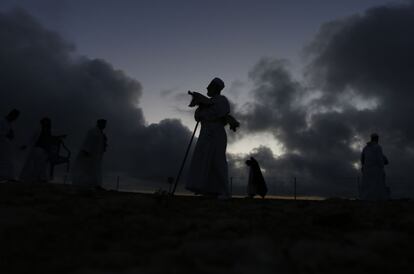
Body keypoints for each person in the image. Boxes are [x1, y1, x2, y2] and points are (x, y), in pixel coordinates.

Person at [186, 78, 235, 198]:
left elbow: (220, 113)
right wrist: (202, 104)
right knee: (205, 160)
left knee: (217, 160)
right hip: (205, 133)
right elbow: (197, 116)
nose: (207, 88)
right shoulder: (207, 102)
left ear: (216, 88)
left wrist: (205, 106)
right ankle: (209, 189)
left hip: (216, 133)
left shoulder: (221, 100)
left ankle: (224, 191)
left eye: (209, 86)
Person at [20, 117, 63, 183]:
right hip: (39, 149)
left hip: (43, 150)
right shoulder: (40, 130)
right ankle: (33, 178)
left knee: (40, 165)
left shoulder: (46, 131)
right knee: (36, 165)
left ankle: (37, 178)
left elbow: (48, 139)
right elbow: (33, 138)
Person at [71, 119, 107, 188]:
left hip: (95, 156)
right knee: (87, 170)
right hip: (89, 155)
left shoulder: (99, 133)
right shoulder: (93, 131)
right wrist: (86, 151)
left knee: (94, 171)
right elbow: (88, 142)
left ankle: (94, 184)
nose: (104, 125)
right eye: (103, 123)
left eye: (105, 124)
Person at [360, 133, 390, 200]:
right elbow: (380, 159)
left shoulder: (365, 148)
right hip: (376, 170)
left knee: (367, 185)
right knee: (376, 185)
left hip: (366, 170)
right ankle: (377, 198)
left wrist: (363, 167)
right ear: (377, 139)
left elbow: (362, 158)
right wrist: (382, 167)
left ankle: (366, 198)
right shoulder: (378, 147)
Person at [0, 109, 20, 181]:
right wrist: (7, 134)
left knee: (7, 160)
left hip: (6, 145)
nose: (15, 119)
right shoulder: (2, 121)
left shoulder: (9, 124)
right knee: (4, 160)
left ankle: (7, 176)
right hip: (2, 144)